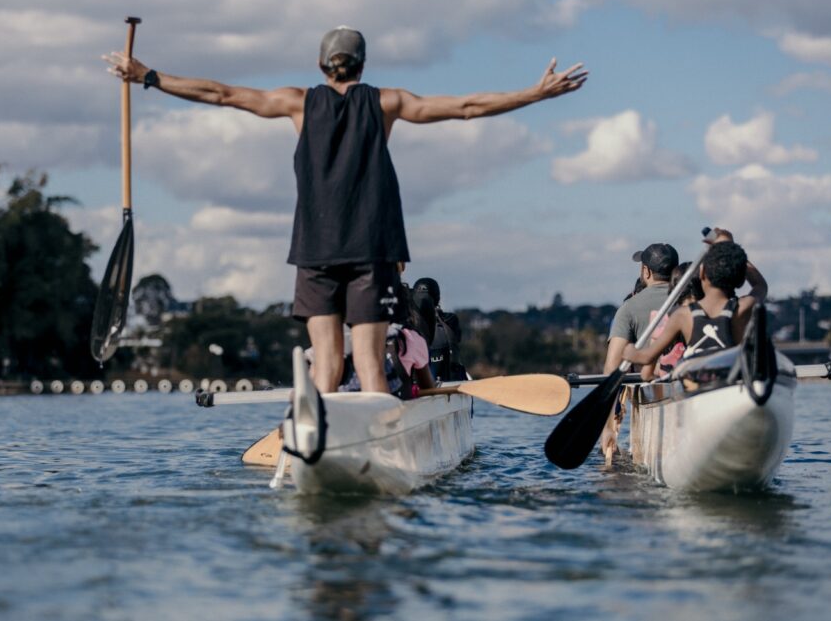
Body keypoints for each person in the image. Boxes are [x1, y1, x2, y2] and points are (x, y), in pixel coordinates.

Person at [105, 27, 587, 394]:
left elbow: (223, 94)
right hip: (370, 254)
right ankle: (375, 444)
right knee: (372, 364)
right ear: (362, 65)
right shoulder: (386, 102)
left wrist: (150, 76)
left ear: (321, 65)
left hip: (316, 254)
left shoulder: (296, 103)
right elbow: (463, 106)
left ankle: (321, 438)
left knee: (328, 366)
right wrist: (534, 93)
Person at [621, 229, 768, 367]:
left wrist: (629, 352)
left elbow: (646, 357)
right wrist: (729, 247)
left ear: (702, 273)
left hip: (697, 388)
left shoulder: (682, 315)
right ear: (741, 280)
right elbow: (760, 285)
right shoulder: (744, 307)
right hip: (731, 385)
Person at [600, 241, 679, 466]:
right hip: (690, 391)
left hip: (650, 395)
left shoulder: (629, 308)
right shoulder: (693, 300)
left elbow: (612, 370)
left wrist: (607, 428)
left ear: (646, 271)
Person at [412, 277, 467, 381]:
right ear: (437, 298)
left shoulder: (407, 326)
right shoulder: (450, 320)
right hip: (451, 385)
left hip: (419, 389)